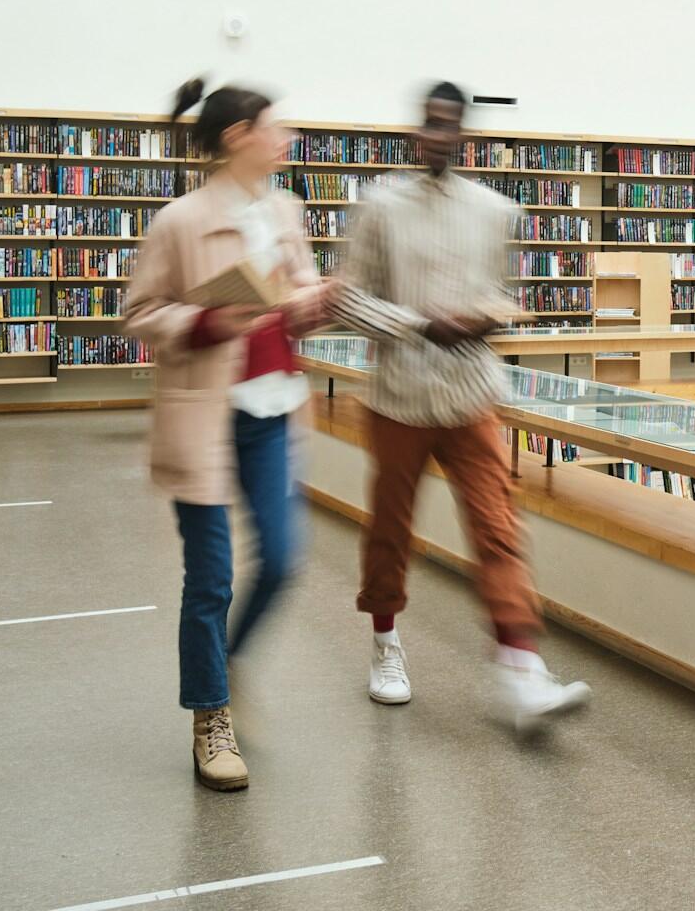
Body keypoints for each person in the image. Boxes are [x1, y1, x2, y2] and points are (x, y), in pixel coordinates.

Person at [330, 82, 590, 731]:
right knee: (390, 528)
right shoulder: (380, 208)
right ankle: (385, 642)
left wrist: (483, 318)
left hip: (472, 394)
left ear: (464, 135)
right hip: (400, 397)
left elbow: (504, 295)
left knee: (497, 527)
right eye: (429, 124)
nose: (438, 135)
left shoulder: (493, 210)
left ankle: (521, 666)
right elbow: (347, 299)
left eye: (450, 126)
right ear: (417, 131)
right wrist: (418, 324)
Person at [124, 79, 327, 791]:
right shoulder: (179, 221)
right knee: (209, 579)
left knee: (282, 558)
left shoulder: (287, 210)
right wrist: (208, 321)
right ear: (239, 135)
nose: (287, 139)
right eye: (276, 128)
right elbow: (141, 311)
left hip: (271, 411)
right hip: (204, 418)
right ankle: (210, 717)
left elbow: (297, 294)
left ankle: (230, 662)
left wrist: (316, 304)